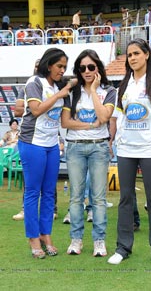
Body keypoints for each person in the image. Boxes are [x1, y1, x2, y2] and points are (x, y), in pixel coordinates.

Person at [107, 38, 151, 267]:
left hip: (150, 149)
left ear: (146, 54)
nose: (132, 58)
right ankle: (122, 248)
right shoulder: (123, 85)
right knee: (126, 198)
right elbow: (118, 117)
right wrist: (115, 139)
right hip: (126, 149)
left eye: (136, 53)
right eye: (129, 55)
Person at [17, 48, 77, 259]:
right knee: (33, 192)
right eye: (59, 66)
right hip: (32, 143)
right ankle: (33, 238)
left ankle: (46, 235)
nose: (62, 70)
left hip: (52, 144)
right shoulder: (35, 82)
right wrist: (61, 94)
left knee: (49, 193)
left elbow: (64, 118)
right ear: (49, 64)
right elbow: (35, 110)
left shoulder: (59, 85)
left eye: (64, 67)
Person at [61, 49, 116, 257]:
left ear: (98, 68)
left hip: (99, 146)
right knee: (76, 197)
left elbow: (103, 117)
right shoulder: (72, 91)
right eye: (82, 68)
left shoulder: (108, 90)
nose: (87, 71)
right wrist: (88, 125)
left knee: (99, 198)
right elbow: (66, 122)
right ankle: (76, 240)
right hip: (75, 147)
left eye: (91, 67)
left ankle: (99, 241)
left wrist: (93, 91)